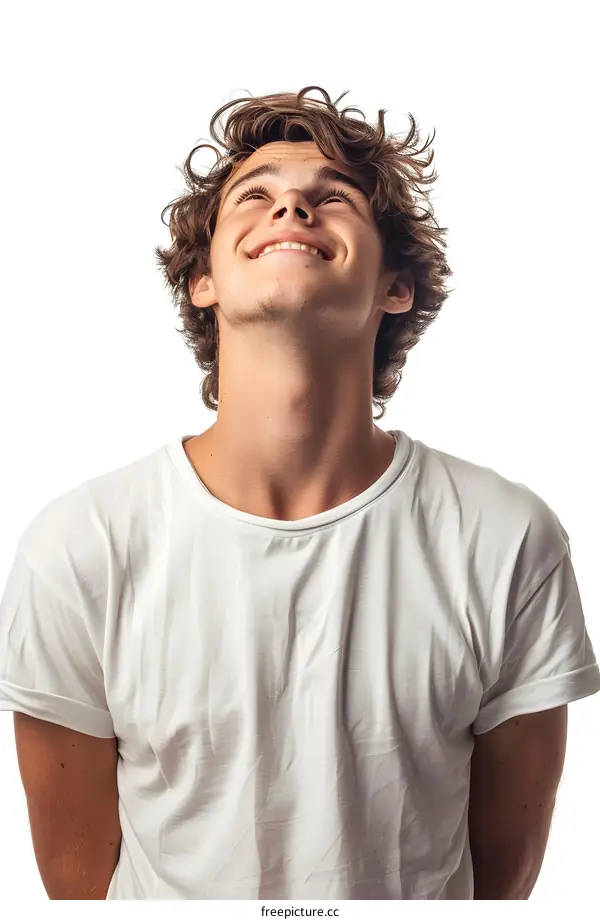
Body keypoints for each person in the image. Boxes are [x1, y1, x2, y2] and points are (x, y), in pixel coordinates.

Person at [0, 86, 598, 901]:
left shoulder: (506, 538)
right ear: (202, 281)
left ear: (395, 286)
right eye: (256, 194)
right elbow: (78, 886)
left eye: (333, 198)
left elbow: (500, 885)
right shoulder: (79, 546)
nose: (290, 204)